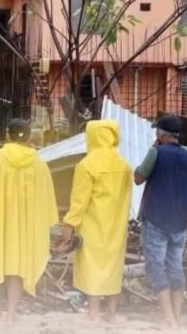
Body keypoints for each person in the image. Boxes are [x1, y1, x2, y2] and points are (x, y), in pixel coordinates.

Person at [0, 119, 59, 322]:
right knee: (17, 270)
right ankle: (11, 315)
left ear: (8, 135)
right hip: (24, 229)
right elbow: (47, 200)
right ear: (28, 137)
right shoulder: (39, 164)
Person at [134, 115, 187, 329]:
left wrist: (152, 150)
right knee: (175, 267)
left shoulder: (156, 152)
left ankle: (168, 317)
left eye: (157, 132)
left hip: (155, 219)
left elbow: (138, 178)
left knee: (156, 267)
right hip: (180, 221)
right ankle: (177, 318)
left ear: (161, 134)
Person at [60, 120, 132, 323]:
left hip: (92, 224)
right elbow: (127, 197)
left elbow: (79, 200)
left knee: (92, 267)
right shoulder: (124, 165)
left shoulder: (86, 165)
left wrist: (70, 224)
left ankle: (92, 312)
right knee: (113, 268)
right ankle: (111, 313)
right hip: (116, 225)